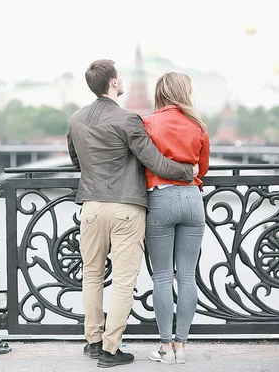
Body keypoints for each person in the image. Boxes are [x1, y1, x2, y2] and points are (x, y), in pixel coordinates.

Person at [67, 59, 198, 368]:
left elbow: (77, 161)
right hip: (126, 208)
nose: (123, 79)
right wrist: (187, 171)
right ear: (113, 83)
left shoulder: (76, 119)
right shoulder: (129, 120)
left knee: (92, 276)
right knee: (125, 281)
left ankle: (93, 341)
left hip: (91, 208)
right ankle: (111, 351)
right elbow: (155, 162)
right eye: (120, 76)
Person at [143, 72, 210, 365]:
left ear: (160, 92)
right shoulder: (198, 125)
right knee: (186, 276)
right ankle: (182, 346)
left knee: (161, 276)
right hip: (193, 200)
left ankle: (165, 347)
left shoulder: (148, 123)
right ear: (185, 93)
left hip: (160, 198)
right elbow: (202, 168)